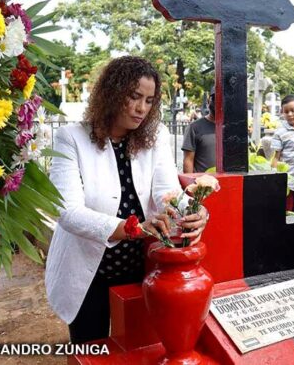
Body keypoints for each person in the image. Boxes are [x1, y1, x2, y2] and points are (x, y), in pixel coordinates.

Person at [46, 56, 209, 344]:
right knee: (91, 348)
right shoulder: (71, 138)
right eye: (134, 97)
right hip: (87, 271)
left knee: (135, 345)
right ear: (112, 92)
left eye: (149, 100)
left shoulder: (155, 136)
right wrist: (135, 228)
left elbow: (165, 192)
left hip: (136, 267)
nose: (141, 109)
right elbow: (67, 211)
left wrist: (193, 210)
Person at [182, 88, 216, 173]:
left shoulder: (231, 128)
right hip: (203, 184)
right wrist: (191, 184)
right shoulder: (194, 127)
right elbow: (188, 161)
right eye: (215, 99)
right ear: (208, 101)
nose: (219, 102)